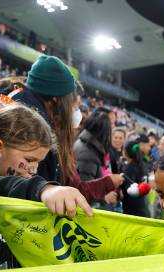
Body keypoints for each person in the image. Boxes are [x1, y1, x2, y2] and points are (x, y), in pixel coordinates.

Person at [0, 104, 92, 270]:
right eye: (29, 160)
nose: (33, 169)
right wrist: (43, 189)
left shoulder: (2, 173)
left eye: (38, 162)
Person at [8, 55, 124, 201]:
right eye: (75, 106)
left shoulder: (48, 129)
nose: (77, 112)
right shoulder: (37, 133)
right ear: (57, 100)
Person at [121, 139, 150, 217]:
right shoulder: (142, 164)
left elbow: (129, 190)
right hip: (143, 206)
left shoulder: (130, 168)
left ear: (126, 151)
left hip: (132, 210)